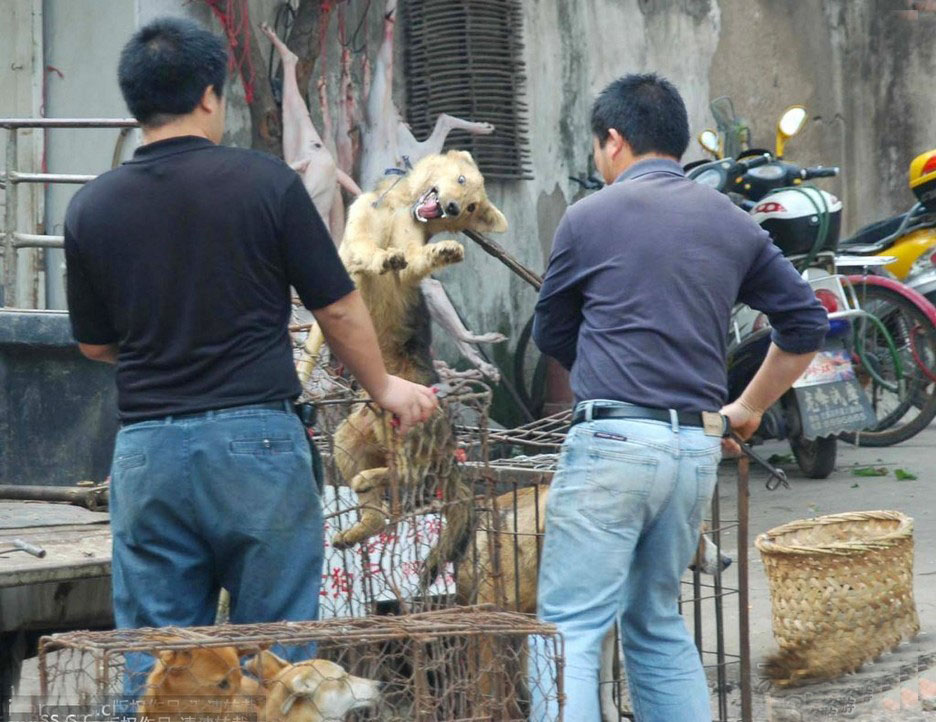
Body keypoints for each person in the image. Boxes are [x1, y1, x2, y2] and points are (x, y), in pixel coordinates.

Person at [64, 16, 437, 675]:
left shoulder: (92, 207)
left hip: (149, 452)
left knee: (158, 670)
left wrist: (168, 346)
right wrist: (384, 387)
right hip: (257, 447)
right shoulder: (268, 185)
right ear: (211, 93)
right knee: (278, 664)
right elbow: (340, 305)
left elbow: (95, 347)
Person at [530, 74, 830, 720]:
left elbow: (551, 333)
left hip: (611, 441)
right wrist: (746, 407)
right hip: (694, 448)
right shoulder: (733, 221)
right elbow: (806, 325)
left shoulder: (588, 218)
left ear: (613, 141)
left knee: (571, 632)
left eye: (595, 146)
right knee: (656, 623)